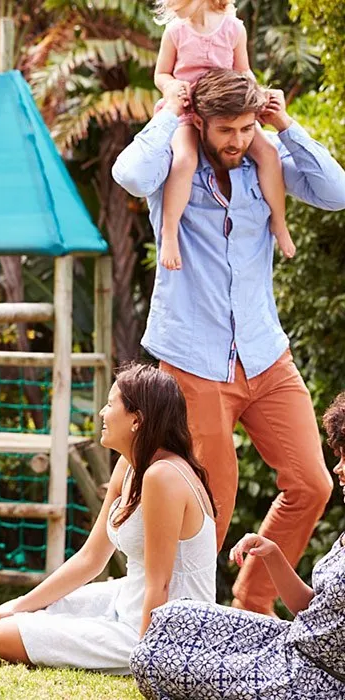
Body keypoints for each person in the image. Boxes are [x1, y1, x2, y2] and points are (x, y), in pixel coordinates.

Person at [112, 67, 345, 614]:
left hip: (265, 354)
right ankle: (180, 622)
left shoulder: (263, 167)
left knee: (312, 482)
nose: (237, 141)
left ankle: (252, 601)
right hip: (194, 361)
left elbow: (336, 194)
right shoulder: (174, 167)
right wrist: (170, 110)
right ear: (202, 123)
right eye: (226, 131)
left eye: (245, 128)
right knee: (208, 504)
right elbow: (128, 172)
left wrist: (285, 126)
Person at [0, 364, 217, 675]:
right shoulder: (129, 466)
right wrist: (19, 603)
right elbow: (92, 558)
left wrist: (149, 661)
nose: (101, 413)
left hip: (167, 631)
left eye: (110, 403)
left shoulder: (164, 476)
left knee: (5, 635)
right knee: (22, 613)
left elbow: (159, 585)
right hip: (126, 598)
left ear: (137, 419)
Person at [131, 391, 345, 699]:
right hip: (287, 642)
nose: (338, 469)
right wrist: (272, 554)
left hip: (307, 681)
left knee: (149, 660)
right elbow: (310, 608)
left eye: (344, 459)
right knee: (174, 616)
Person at [153, 0, 293, 269]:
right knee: (183, 161)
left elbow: (243, 71)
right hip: (188, 110)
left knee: (269, 153)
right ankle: (169, 232)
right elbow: (161, 73)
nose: (169, 5)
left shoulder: (233, 29)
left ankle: (279, 220)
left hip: (229, 112)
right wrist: (172, 86)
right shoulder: (175, 32)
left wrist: (258, 92)